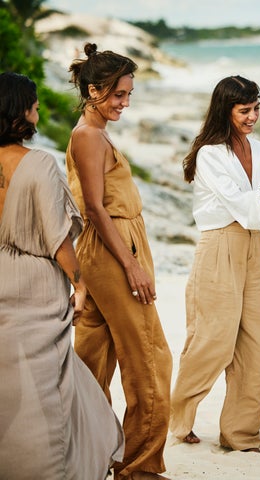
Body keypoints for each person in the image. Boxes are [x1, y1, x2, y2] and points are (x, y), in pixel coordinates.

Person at [0, 71, 124, 479]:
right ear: (23, 110)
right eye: (34, 104)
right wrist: (80, 282)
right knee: (45, 379)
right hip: (34, 280)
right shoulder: (38, 164)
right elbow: (57, 238)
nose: (38, 111)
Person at [169, 75, 260, 451]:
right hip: (219, 247)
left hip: (255, 250)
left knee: (258, 346)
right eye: (244, 110)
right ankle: (179, 419)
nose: (253, 117)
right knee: (212, 341)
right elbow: (245, 208)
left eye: (256, 108)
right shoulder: (211, 154)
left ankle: (241, 434)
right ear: (225, 110)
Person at [65, 43, 173, 480]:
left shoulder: (90, 131)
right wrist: (131, 265)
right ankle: (140, 468)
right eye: (118, 95)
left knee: (94, 357)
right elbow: (94, 207)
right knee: (149, 356)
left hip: (104, 250)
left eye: (129, 95)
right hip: (114, 250)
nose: (125, 103)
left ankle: (90, 455)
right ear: (94, 90)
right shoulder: (88, 135)